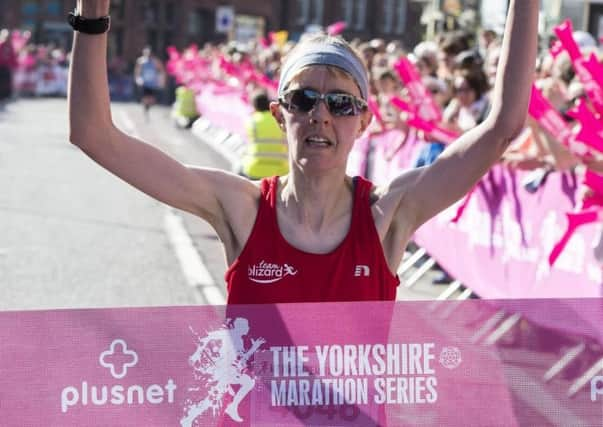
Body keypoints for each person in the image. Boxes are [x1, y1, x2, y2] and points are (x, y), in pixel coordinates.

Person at [69, 0, 539, 304]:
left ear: (364, 121)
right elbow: (94, 134)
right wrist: (92, 14)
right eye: (303, 100)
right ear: (280, 113)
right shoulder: (243, 207)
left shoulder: (386, 215)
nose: (321, 115)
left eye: (339, 102)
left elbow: (502, 127)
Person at [240, 90, 288, 179]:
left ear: (254, 106)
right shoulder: (280, 120)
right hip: (280, 170)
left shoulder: (252, 121)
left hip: (255, 169)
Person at [133, 45, 165, 117]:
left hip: (153, 83)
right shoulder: (141, 61)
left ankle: (148, 106)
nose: (148, 55)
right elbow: (137, 72)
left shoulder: (156, 61)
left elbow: (161, 71)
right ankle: (145, 108)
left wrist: (161, 80)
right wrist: (138, 79)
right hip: (145, 83)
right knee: (145, 98)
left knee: (152, 99)